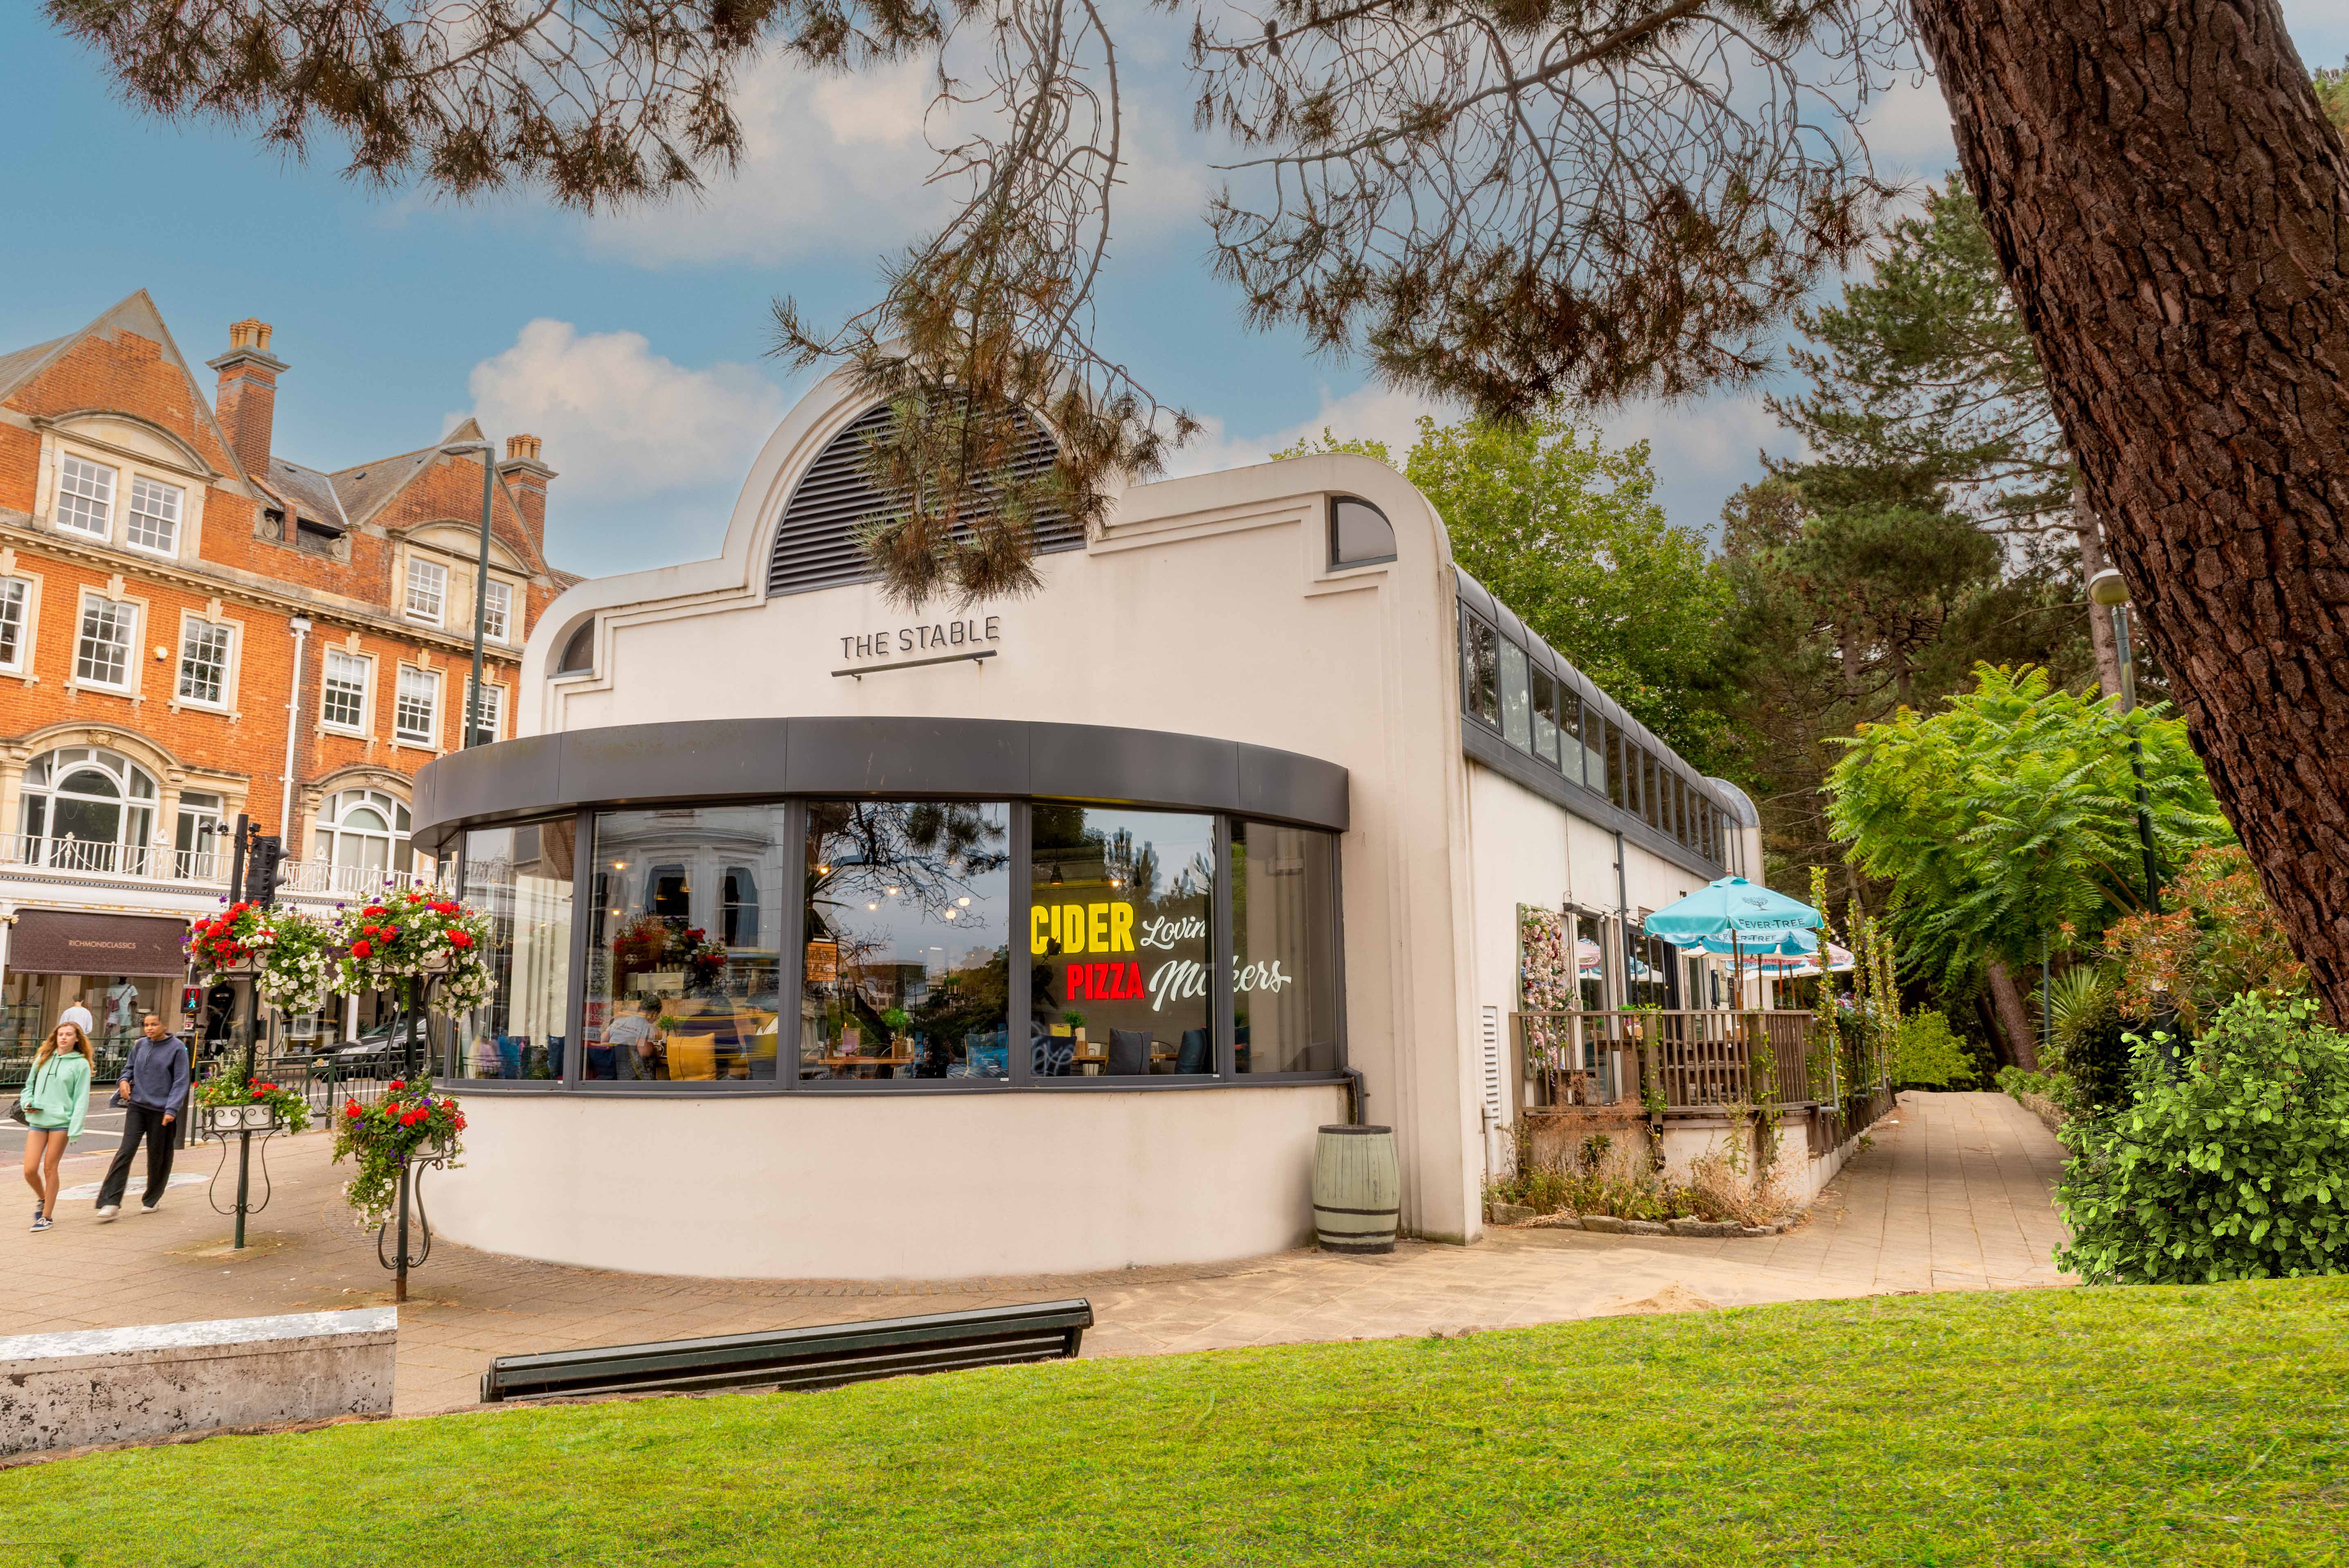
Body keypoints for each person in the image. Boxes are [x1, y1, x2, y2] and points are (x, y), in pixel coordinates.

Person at [94, 1012, 189, 1221]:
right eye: (146, 1025)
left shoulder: (177, 1049)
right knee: (125, 1152)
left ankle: (152, 1198)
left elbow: (181, 1082)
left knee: (158, 1156)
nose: (149, 1028)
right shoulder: (140, 1045)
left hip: (162, 1111)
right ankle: (111, 1202)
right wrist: (124, 1081)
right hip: (137, 1106)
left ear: (164, 1025)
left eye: (154, 1024)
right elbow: (128, 1069)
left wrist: (171, 1110)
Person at [19, 1020, 94, 1231]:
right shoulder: (43, 1059)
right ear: (55, 1037)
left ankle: (47, 1217)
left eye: (69, 1035)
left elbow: (81, 1099)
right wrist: (27, 1103)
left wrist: (75, 1130)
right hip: (38, 1120)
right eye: (61, 1034)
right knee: (29, 1170)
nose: (64, 1038)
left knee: (50, 1168)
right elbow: (28, 1087)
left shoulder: (80, 1064)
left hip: (61, 1123)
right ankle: (44, 1198)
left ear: (77, 1039)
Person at [605, 995, 667, 1081]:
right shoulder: (645, 1025)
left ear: (639, 1009)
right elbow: (645, 1052)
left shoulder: (619, 1022)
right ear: (654, 1014)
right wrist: (655, 1052)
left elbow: (604, 1040)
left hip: (615, 1072)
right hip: (635, 1076)